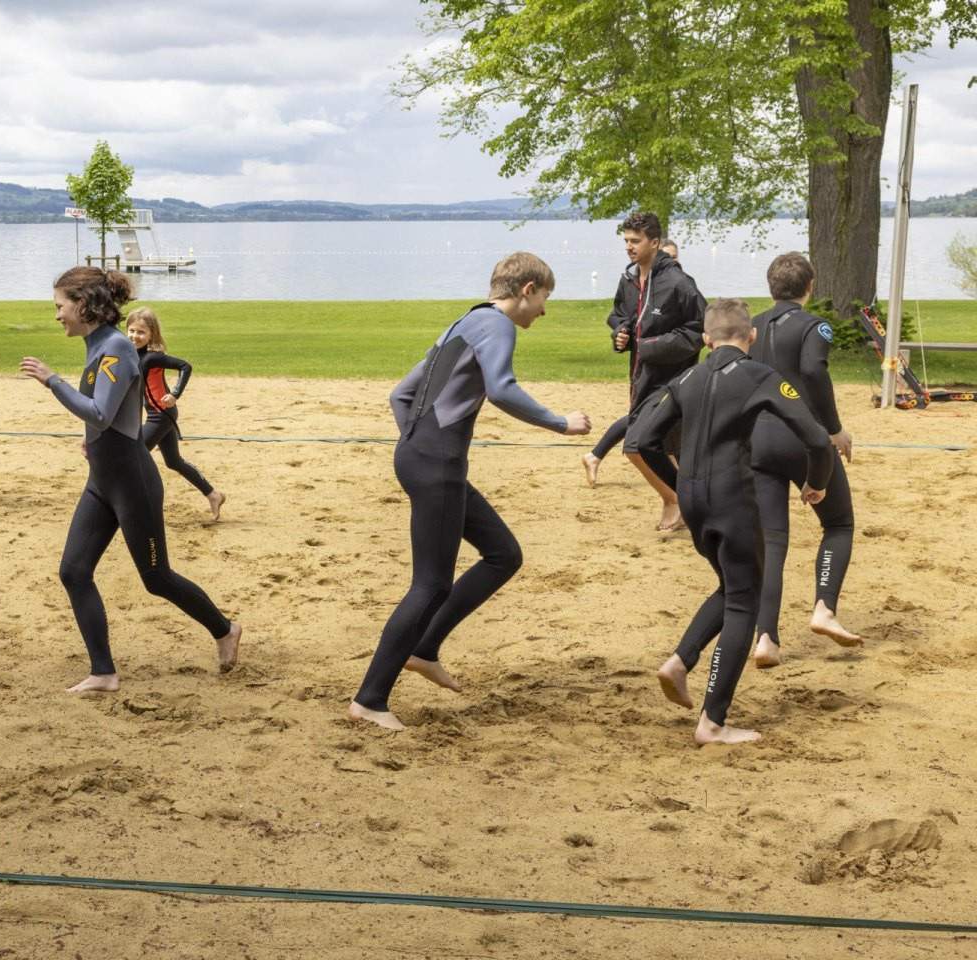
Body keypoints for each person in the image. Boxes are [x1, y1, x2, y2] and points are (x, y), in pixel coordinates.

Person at [349, 253, 592, 731]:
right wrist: (560, 423)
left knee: (502, 553)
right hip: (436, 462)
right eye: (544, 299)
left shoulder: (462, 323)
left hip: (426, 457)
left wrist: (416, 441)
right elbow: (501, 389)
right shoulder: (497, 325)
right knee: (431, 584)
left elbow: (400, 394)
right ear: (526, 289)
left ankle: (425, 648)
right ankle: (370, 698)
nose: (543, 311)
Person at [19, 267, 241, 692]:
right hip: (103, 478)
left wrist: (52, 381)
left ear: (82, 305)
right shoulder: (98, 344)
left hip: (131, 480)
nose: (56, 316)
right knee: (74, 570)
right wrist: (92, 443)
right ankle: (103, 672)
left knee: (156, 578)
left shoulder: (116, 347)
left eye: (59, 307)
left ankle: (225, 629)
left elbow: (100, 413)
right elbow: (110, 414)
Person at [629, 298, 833, 745]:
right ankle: (713, 721)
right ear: (752, 336)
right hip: (730, 498)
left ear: (705, 338)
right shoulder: (760, 375)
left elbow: (641, 440)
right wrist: (816, 484)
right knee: (746, 599)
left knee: (731, 586)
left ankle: (681, 661)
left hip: (694, 498)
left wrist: (675, 488)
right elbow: (817, 438)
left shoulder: (687, 377)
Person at [750, 253, 861, 666]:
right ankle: (824, 608)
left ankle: (766, 638)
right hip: (803, 438)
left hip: (758, 441)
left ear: (771, 287)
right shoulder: (815, 325)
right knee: (838, 522)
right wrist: (833, 428)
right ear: (809, 286)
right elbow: (813, 371)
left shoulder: (752, 326)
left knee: (772, 541)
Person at [579, 214, 706, 531]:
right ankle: (682, 501)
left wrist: (649, 346)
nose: (628, 247)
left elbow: (699, 331)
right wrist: (620, 334)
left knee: (637, 445)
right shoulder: (629, 279)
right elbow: (620, 315)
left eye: (635, 241)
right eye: (626, 241)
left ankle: (676, 500)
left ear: (654, 242)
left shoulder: (679, 284)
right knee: (653, 447)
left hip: (672, 381)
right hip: (640, 380)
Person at [125, 307, 226, 521]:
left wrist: (175, 394)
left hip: (161, 414)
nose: (135, 336)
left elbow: (185, 366)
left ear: (152, 334)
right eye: (131, 330)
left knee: (135, 456)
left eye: (141, 332)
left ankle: (138, 507)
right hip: (157, 414)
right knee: (173, 461)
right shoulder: (132, 354)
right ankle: (213, 494)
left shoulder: (152, 357)